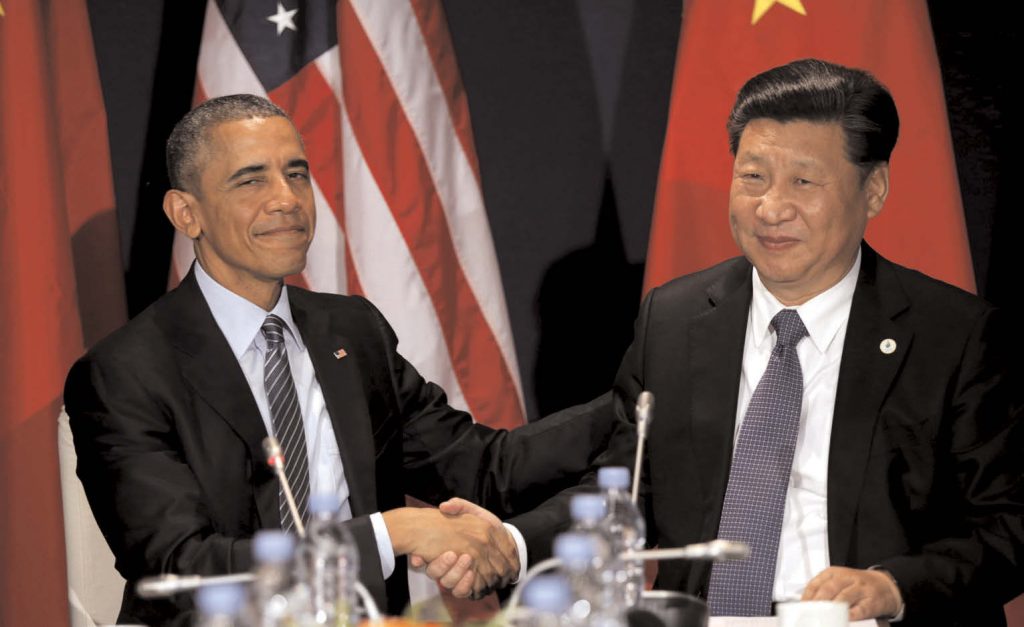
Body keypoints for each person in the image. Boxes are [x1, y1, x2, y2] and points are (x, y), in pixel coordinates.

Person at [64, 95, 614, 626]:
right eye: (252, 179)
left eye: (297, 174)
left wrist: (640, 397)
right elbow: (184, 568)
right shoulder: (124, 373)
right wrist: (393, 532)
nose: (287, 199)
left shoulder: (352, 331)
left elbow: (485, 469)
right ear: (187, 213)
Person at [575, 58, 1022, 625]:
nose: (772, 208)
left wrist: (892, 586)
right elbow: (621, 489)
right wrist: (504, 543)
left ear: (874, 189)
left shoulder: (954, 336)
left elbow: (1008, 525)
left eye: (804, 182)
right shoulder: (674, 318)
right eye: (753, 177)